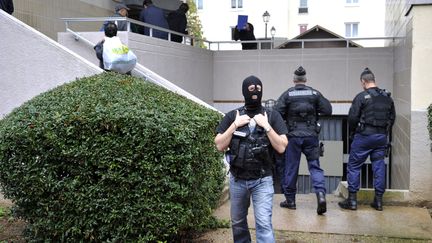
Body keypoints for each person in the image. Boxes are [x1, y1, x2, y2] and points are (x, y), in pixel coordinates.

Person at [215, 76, 288, 243]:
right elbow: (219, 145)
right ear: (244, 91)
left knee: (263, 224)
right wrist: (234, 125)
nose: (255, 92)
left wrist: (267, 126)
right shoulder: (233, 115)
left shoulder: (271, 115)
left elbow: (282, 146)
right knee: (238, 223)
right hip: (238, 180)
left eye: (258, 88)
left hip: (263, 180)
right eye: (251, 89)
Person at [275, 66, 332, 215]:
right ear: (305, 80)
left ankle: (291, 201)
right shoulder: (314, 93)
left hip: (293, 137)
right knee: (315, 167)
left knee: (291, 168)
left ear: (294, 80)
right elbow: (328, 109)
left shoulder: (288, 94)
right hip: (311, 136)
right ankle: (320, 195)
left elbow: (276, 112)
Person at [338, 68, 395, 211]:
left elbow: (352, 118)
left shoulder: (361, 97)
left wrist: (353, 132)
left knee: (354, 166)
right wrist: (384, 132)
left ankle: (352, 201)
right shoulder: (387, 97)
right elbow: (392, 117)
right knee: (379, 166)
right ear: (374, 80)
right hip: (381, 137)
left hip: (364, 136)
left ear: (363, 82)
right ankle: (379, 202)